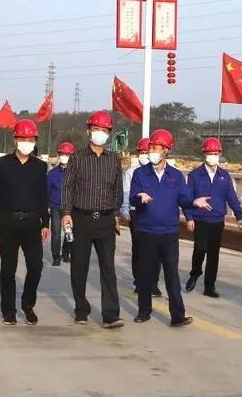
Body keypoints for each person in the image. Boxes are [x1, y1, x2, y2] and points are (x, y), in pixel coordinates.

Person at [0, 120, 50, 326]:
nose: (27, 142)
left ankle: (28, 304)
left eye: (31, 139)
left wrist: (45, 223)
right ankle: (8, 310)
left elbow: (42, 197)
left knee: (36, 266)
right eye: (23, 138)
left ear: (35, 140)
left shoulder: (40, 167)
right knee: (8, 270)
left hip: (32, 223)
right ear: (15, 139)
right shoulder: (2, 165)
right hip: (9, 221)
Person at [62, 110, 124, 329]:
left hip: (106, 220)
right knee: (79, 266)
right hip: (81, 219)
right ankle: (81, 309)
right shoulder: (77, 158)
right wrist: (66, 213)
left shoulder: (114, 160)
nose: (100, 133)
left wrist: (116, 215)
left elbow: (117, 191)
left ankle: (111, 314)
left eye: (105, 130)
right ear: (88, 131)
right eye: (96, 129)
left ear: (109, 133)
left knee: (108, 267)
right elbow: (68, 187)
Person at [129, 130, 193, 327]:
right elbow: (132, 198)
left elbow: (184, 199)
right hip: (146, 231)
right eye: (150, 148)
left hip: (169, 233)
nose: (151, 151)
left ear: (166, 150)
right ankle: (144, 311)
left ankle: (177, 315)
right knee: (145, 273)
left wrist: (194, 203)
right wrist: (139, 198)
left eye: (155, 148)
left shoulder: (176, 176)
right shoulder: (140, 174)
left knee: (172, 274)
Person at [184, 137, 242, 298]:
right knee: (200, 248)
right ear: (204, 154)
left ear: (220, 154)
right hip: (200, 219)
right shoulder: (195, 175)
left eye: (215, 153)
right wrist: (189, 217)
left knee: (213, 254)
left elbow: (232, 197)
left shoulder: (224, 176)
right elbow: (187, 198)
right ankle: (195, 273)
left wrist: (239, 216)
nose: (212, 156)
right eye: (209, 153)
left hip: (217, 220)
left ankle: (209, 286)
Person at [120, 137, 162, 296]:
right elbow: (126, 192)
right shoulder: (132, 172)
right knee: (139, 248)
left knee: (156, 249)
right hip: (136, 212)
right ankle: (139, 281)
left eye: (147, 151)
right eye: (142, 152)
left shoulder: (159, 171)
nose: (145, 154)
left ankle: (153, 282)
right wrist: (124, 209)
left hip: (154, 213)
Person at [47, 141, 74, 266]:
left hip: (68, 208)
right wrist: (47, 206)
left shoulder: (75, 173)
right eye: (62, 154)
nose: (64, 156)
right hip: (55, 207)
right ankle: (56, 256)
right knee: (56, 233)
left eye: (67, 154)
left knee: (69, 232)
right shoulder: (52, 173)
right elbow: (47, 190)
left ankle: (66, 252)